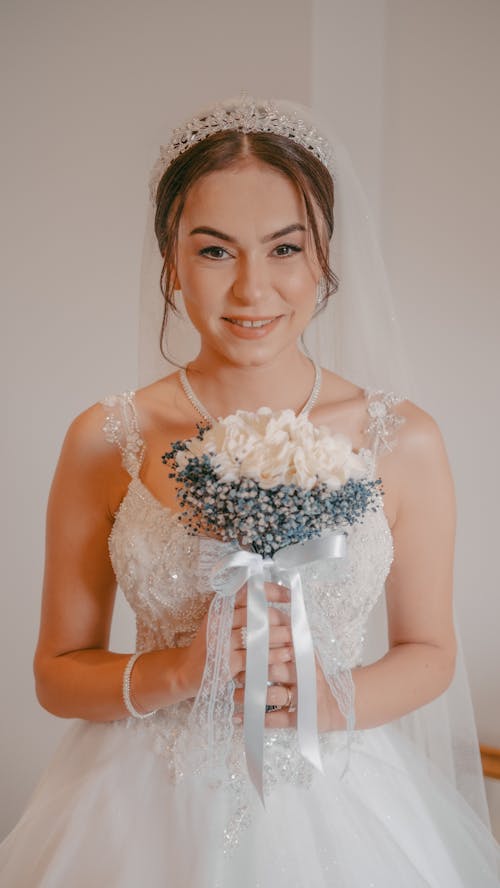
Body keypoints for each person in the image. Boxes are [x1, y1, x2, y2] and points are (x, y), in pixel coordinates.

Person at [1, 96, 499, 887]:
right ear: (169, 259)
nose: (251, 290)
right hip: (135, 808)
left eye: (284, 248)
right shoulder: (106, 438)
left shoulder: (402, 439)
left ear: (323, 254)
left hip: (336, 789)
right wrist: (179, 674)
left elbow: (431, 653)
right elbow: (57, 671)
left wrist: (325, 703)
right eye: (215, 252)